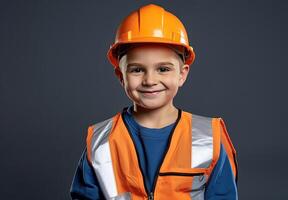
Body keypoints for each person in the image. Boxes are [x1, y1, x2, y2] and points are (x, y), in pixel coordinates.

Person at [70, 4, 238, 200]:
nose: (150, 80)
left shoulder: (209, 138)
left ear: (182, 74)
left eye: (163, 69)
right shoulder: (101, 141)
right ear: (120, 75)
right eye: (137, 70)